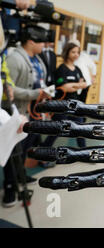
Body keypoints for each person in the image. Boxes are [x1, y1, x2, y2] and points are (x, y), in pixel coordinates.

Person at [3, 21, 50, 207]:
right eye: (42, 42)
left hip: (33, 113)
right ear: (31, 41)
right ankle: (9, 187)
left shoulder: (36, 59)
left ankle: (20, 177)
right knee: (13, 151)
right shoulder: (14, 59)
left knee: (24, 151)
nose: (44, 45)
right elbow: (8, 90)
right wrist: (34, 94)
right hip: (17, 113)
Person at [41, 41, 88, 149]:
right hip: (61, 105)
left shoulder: (77, 70)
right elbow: (65, 88)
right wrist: (78, 85)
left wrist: (74, 85)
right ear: (67, 53)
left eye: (78, 52)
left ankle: (84, 151)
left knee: (80, 129)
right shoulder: (61, 69)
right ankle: (44, 148)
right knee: (58, 130)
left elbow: (84, 84)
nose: (76, 54)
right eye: (73, 52)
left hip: (75, 104)